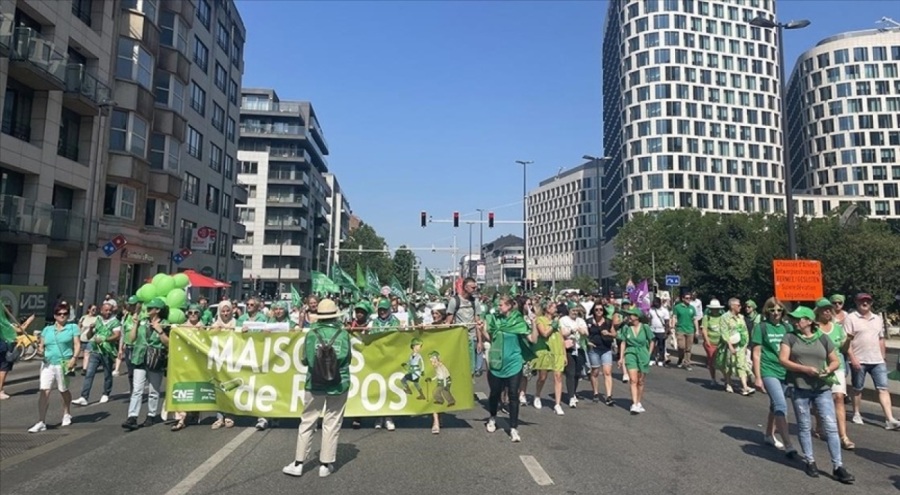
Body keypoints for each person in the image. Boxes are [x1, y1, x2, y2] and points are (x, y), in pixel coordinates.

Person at [779, 306, 855, 484]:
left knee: (830, 426)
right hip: (800, 388)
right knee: (804, 426)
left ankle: (838, 466)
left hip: (821, 389)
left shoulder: (822, 338)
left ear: (809, 321)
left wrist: (828, 369)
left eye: (799, 319)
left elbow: (835, 360)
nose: (795, 322)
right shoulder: (789, 337)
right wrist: (804, 369)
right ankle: (810, 461)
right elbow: (783, 360)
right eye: (794, 319)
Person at [283, 299, 351, 479]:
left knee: (307, 421)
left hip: (315, 382)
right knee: (332, 422)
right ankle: (325, 464)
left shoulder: (311, 334)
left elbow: (305, 359)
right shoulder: (343, 335)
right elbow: (347, 359)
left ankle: (298, 463)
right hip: (339, 382)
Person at [482, 296, 538, 443]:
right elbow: (489, 337)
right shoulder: (495, 320)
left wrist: (534, 324)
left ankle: (513, 428)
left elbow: (533, 339)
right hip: (497, 362)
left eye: (500, 305)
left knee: (513, 394)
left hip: (514, 362)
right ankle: (493, 417)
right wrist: (482, 328)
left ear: (509, 306)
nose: (498, 307)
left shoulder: (518, 321)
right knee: (495, 393)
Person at [844, 293, 900, 430]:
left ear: (871, 303)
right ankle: (856, 413)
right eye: (862, 301)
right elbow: (846, 342)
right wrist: (852, 358)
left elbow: (881, 338)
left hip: (877, 360)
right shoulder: (850, 318)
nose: (865, 303)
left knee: (883, 388)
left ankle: (889, 419)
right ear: (856, 303)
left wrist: (883, 356)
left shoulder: (877, 318)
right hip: (859, 360)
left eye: (867, 301)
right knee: (858, 388)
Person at [751, 297, 797, 454]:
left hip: (784, 371)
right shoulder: (761, 327)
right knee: (781, 405)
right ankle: (789, 445)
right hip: (768, 369)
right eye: (772, 310)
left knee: (774, 405)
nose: (776, 313)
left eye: (779, 310)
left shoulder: (787, 327)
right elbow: (756, 354)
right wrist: (757, 377)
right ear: (767, 311)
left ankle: (769, 434)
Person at [28, 304, 81, 433]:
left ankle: (67, 412)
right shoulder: (47, 330)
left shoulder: (72, 327)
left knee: (63, 389)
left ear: (68, 315)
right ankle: (41, 421)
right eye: (59, 314)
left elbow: (77, 344)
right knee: (44, 391)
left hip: (63, 363)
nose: (62, 316)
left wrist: (74, 358)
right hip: (48, 363)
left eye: (65, 313)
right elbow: (42, 347)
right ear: (55, 316)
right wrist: (39, 349)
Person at [122, 298, 170, 431]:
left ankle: (151, 415)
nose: (147, 311)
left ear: (158, 310)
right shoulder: (142, 321)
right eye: (147, 308)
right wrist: (136, 325)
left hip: (155, 359)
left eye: (150, 308)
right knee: (137, 389)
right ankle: (132, 416)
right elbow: (131, 339)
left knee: (154, 390)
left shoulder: (166, 324)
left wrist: (159, 330)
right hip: (140, 357)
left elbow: (168, 343)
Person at [72, 302, 121, 406]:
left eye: (110, 310)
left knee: (107, 373)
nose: (108, 312)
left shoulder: (115, 322)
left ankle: (106, 393)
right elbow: (90, 336)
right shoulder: (98, 320)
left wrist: (105, 339)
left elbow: (117, 336)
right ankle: (84, 397)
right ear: (101, 310)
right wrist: (90, 329)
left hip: (107, 351)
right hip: (95, 351)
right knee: (89, 374)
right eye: (106, 310)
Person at [618, 308, 655, 414]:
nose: (629, 317)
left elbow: (652, 340)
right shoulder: (626, 328)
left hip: (643, 354)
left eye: (631, 315)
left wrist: (649, 354)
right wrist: (621, 358)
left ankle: (638, 402)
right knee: (633, 380)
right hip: (630, 353)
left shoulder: (645, 327)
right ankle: (634, 404)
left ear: (637, 317)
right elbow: (623, 343)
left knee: (640, 381)